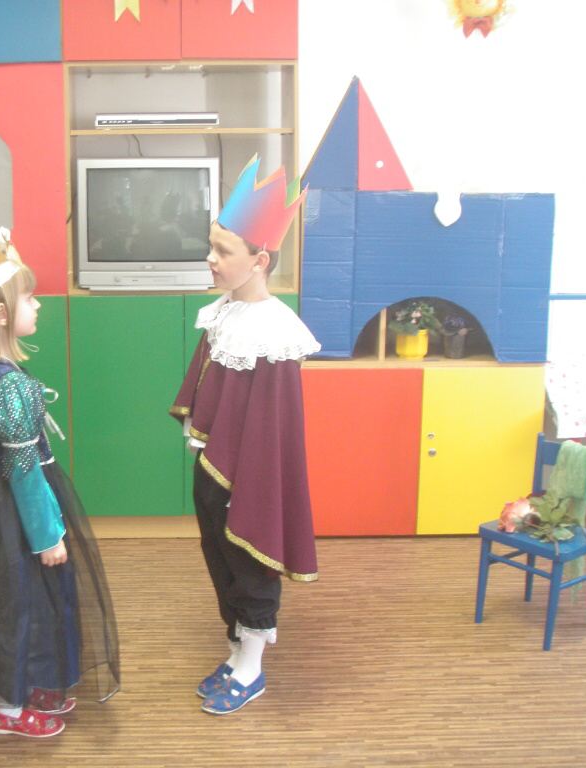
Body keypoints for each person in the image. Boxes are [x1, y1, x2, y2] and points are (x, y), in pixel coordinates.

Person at [0, 228, 120, 737]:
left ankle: (20, 683)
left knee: (17, 598)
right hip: (13, 510)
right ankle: (6, 709)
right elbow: (22, 471)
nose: (38, 305)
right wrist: (47, 535)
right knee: (14, 603)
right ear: (0, 314)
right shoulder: (8, 387)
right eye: (30, 298)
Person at [170, 156, 321, 715]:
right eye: (211, 246)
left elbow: (271, 429)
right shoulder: (223, 314)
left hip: (248, 479)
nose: (210, 259)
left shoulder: (276, 335)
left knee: (250, 564)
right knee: (220, 559)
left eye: (223, 251)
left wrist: (247, 488)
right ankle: (237, 651)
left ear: (260, 261)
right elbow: (205, 387)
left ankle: (252, 668)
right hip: (213, 468)